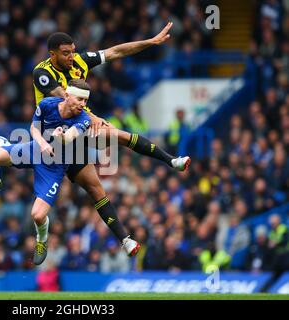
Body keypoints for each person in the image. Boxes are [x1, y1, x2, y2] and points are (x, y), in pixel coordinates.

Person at [30, 27, 190, 252]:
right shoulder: (42, 73)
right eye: (66, 53)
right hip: (52, 140)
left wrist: (151, 41)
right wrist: (94, 117)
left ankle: (171, 162)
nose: (71, 57)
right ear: (52, 54)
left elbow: (115, 52)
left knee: (105, 168)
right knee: (37, 208)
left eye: (73, 51)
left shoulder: (79, 62)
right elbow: (66, 99)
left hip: (77, 131)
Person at [0, 79, 140, 265]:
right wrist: (43, 144)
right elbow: (34, 128)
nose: (83, 104)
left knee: (37, 215)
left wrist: (61, 137)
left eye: (86, 101)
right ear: (67, 95)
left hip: (54, 166)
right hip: (34, 149)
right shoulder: (46, 104)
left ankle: (42, 240)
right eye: (80, 99)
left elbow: (70, 136)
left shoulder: (83, 118)